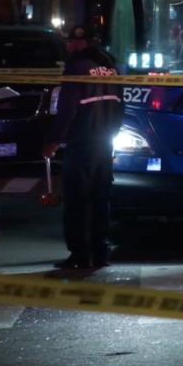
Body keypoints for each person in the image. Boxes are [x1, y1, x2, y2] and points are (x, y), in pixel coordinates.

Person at [42, 26, 124, 270]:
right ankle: (101, 251)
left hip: (82, 143)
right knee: (101, 198)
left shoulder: (76, 68)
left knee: (78, 200)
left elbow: (68, 110)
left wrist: (53, 140)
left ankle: (79, 254)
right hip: (105, 143)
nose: (67, 46)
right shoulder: (111, 67)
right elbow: (121, 106)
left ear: (80, 43)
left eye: (70, 41)